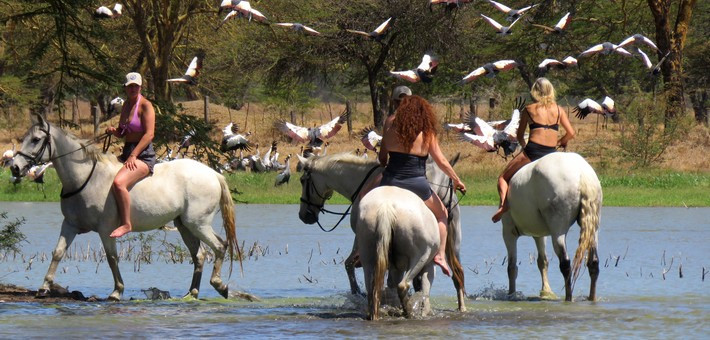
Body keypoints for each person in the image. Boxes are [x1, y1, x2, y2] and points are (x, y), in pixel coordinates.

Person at [376, 95, 466, 277]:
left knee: (363, 198)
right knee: (442, 214)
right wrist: (456, 179)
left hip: (390, 179)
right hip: (415, 183)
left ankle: (360, 251)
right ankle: (440, 255)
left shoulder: (390, 123)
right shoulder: (426, 130)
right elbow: (440, 160)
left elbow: (382, 158)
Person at [491, 77, 575, 223]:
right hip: (551, 152)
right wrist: (561, 141)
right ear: (551, 91)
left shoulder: (529, 109)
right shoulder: (559, 110)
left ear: (535, 92)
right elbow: (571, 133)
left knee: (502, 178)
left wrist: (524, 148)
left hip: (533, 151)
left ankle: (504, 205)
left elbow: (519, 135)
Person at [105, 72, 156, 238]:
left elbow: (149, 134)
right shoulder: (126, 104)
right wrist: (114, 132)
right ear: (126, 88)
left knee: (119, 183)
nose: (133, 89)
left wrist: (134, 155)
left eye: (136, 86)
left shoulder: (146, 106)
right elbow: (123, 131)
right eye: (130, 86)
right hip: (127, 151)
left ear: (141, 87)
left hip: (143, 154)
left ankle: (126, 224)